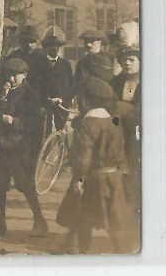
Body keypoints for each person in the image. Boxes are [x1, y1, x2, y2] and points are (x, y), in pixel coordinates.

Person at [55, 78, 138, 254]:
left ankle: (82, 250)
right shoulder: (113, 119)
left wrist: (79, 179)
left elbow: (84, 155)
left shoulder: (89, 122)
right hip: (112, 177)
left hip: (92, 178)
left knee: (84, 216)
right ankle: (120, 250)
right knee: (109, 216)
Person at [0, 58, 49, 237]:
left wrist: (14, 121)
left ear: (24, 75)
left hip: (20, 147)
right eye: (8, 74)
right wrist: (2, 96)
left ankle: (40, 221)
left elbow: (36, 123)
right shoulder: (2, 88)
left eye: (15, 75)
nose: (10, 78)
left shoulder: (30, 94)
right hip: (2, 144)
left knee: (25, 185)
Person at [111, 47, 141, 211]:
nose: (127, 63)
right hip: (118, 126)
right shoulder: (117, 81)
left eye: (132, 60)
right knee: (119, 165)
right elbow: (110, 102)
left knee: (135, 165)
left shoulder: (147, 81)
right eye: (124, 60)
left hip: (140, 128)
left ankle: (137, 204)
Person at [28, 29, 75, 131]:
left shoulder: (66, 64)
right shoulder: (38, 64)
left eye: (55, 45)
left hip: (61, 105)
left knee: (62, 133)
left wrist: (63, 99)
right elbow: (34, 86)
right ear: (45, 48)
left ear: (59, 48)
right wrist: (45, 100)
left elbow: (71, 86)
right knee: (45, 133)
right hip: (44, 106)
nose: (53, 48)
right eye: (49, 45)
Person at [74, 29, 115, 109]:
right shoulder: (82, 62)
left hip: (106, 100)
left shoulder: (110, 58)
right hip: (87, 102)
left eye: (91, 41)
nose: (88, 45)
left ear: (99, 42)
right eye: (86, 42)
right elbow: (77, 82)